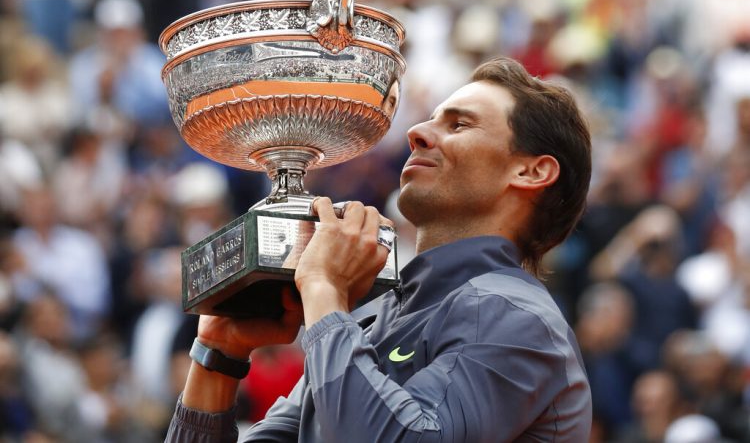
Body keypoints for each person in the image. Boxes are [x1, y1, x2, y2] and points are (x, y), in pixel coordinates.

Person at [166, 56, 593, 441]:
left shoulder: (514, 315)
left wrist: (324, 289)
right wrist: (218, 354)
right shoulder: (369, 320)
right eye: (431, 119)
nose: (416, 132)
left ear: (531, 171)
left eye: (458, 124)